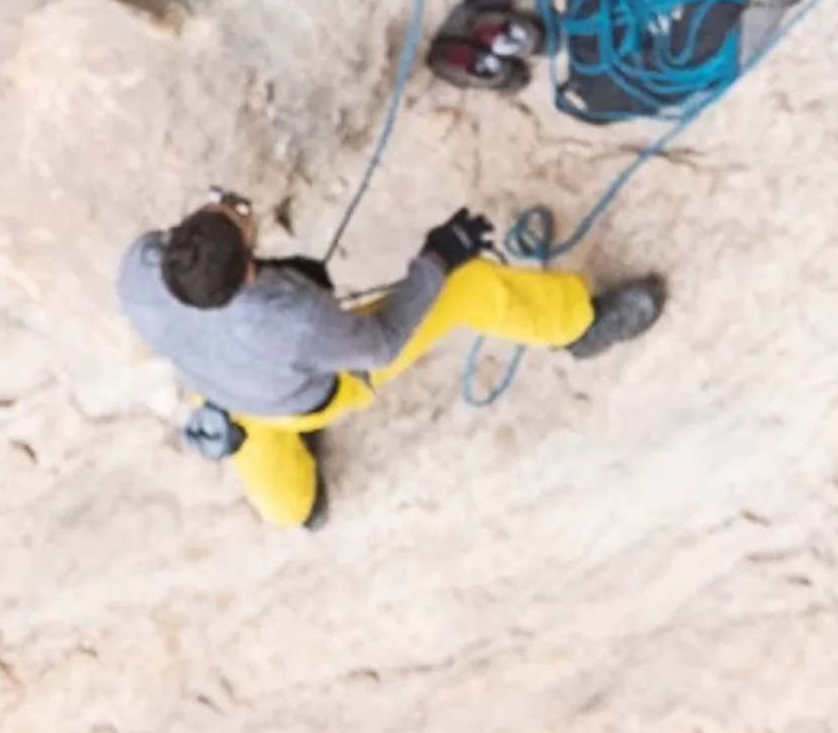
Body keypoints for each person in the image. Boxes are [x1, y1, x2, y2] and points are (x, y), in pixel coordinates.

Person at [115, 190, 662, 532]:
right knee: (469, 288)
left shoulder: (138, 271)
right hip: (308, 396)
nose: (234, 207)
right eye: (236, 216)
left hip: (222, 396)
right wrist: (437, 259)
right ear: (248, 268)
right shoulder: (294, 319)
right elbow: (381, 343)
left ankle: (305, 510)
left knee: (278, 497)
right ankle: (578, 326)